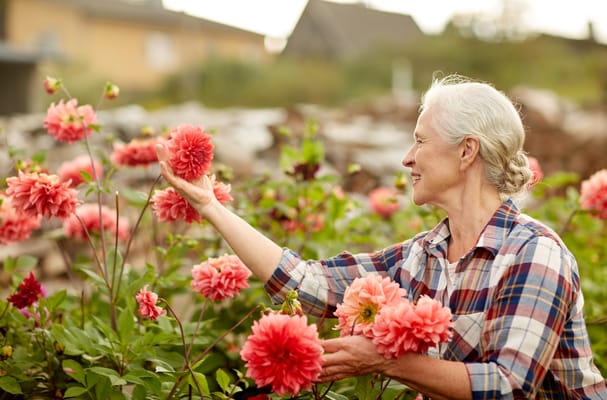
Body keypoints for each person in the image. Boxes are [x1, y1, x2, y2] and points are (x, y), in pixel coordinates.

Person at [157, 74, 607, 399]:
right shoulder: (422, 256)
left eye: (420, 141)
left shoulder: (535, 253)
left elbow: (507, 386)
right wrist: (209, 205)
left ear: (467, 151)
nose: (407, 159)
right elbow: (308, 283)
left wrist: (386, 361)